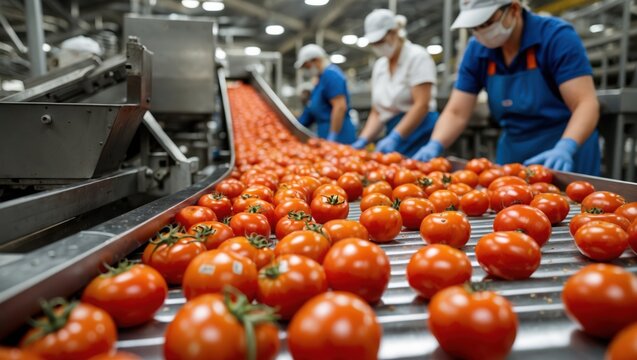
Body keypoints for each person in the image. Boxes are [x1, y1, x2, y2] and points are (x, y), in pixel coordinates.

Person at [414, 0, 600, 175]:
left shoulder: (556, 37)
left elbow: (585, 103)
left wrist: (566, 147)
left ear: (514, 9)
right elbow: (456, 112)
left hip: (563, 146)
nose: (480, 31)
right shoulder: (477, 50)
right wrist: (435, 144)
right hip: (514, 148)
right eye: (475, 27)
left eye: (487, 22)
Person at [352, 9, 439, 156]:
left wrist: (396, 136)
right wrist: (363, 139)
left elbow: (421, 105)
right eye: (374, 43)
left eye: (380, 41)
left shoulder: (417, 57)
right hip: (393, 129)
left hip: (419, 129)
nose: (378, 46)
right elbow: (377, 111)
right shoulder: (380, 66)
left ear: (394, 32)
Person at [295, 44, 357, 144]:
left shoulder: (331, 75)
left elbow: (340, 107)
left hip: (340, 137)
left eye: (307, 66)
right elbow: (313, 109)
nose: (307, 70)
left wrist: (333, 135)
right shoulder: (320, 80)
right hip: (325, 134)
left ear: (316, 60)